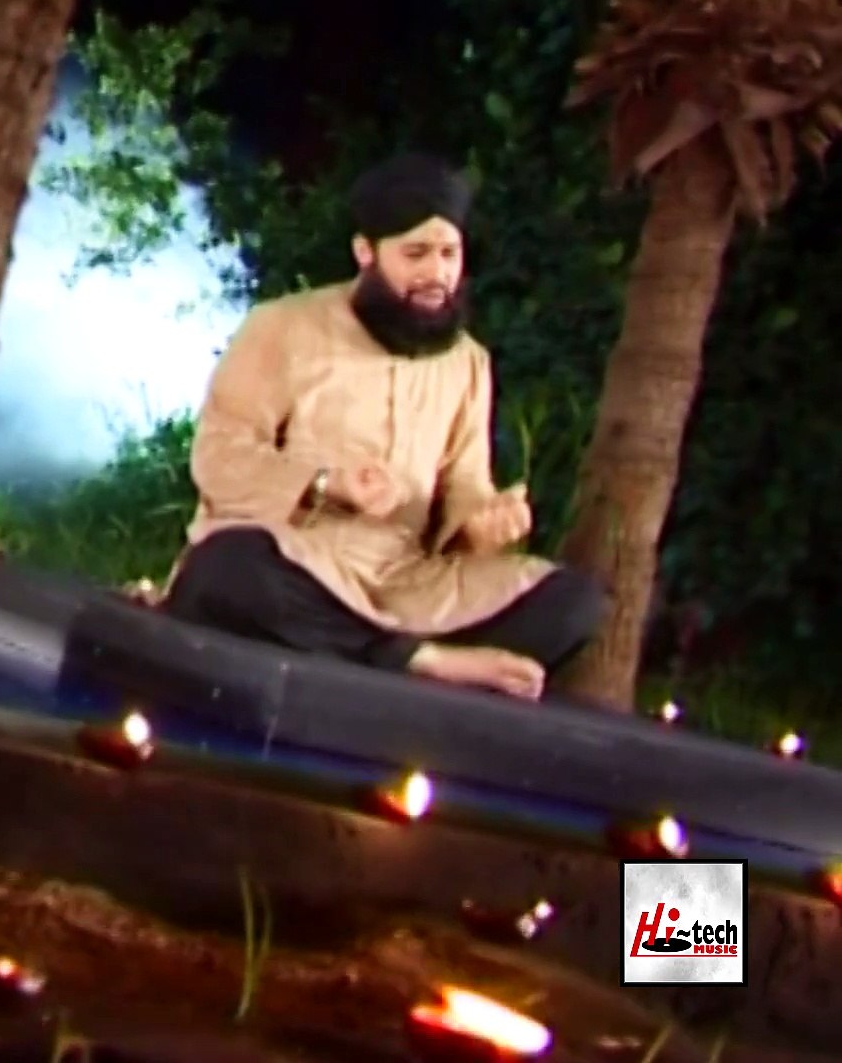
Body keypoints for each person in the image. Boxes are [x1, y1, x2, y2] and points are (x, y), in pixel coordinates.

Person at [160, 151, 604, 701]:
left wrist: (479, 524)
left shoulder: (467, 362)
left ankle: (386, 655)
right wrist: (328, 484)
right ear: (365, 252)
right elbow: (219, 455)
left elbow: (465, 483)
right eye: (416, 254)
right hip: (299, 562)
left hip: (406, 586)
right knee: (225, 570)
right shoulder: (283, 326)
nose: (436, 274)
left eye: (448, 254)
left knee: (574, 602)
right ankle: (419, 661)